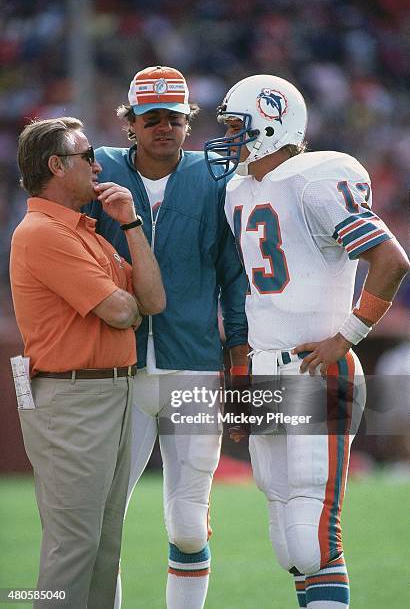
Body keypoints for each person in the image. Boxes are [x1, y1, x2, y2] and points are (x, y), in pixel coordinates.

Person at [205, 75, 409, 608]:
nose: (229, 139)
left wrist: (350, 334)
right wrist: (242, 373)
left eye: (237, 128)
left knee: (312, 535)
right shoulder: (237, 190)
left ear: (273, 124)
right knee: (285, 540)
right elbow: (254, 296)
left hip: (316, 369)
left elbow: (390, 260)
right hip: (266, 369)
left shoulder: (318, 177)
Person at [86, 66, 248, 609]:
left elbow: (233, 272)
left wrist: (240, 345)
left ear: (188, 122)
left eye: (174, 119)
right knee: (101, 521)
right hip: (117, 368)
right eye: (151, 118)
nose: (163, 128)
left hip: (194, 365)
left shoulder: (214, 175)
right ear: (129, 122)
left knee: (187, 522)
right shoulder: (97, 167)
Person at [10, 117, 165, 609]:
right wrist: (127, 304)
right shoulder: (40, 232)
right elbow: (122, 310)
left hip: (106, 392)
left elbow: (152, 301)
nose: (98, 166)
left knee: (105, 543)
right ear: (57, 166)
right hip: (71, 398)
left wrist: (132, 224)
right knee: (73, 546)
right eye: (86, 156)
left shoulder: (88, 232)